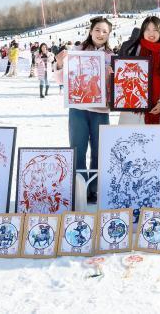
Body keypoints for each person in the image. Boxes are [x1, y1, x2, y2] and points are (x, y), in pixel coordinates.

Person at [59, 17, 114, 203]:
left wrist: (111, 78)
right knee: (78, 149)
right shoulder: (77, 52)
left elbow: (116, 89)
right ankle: (79, 189)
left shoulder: (112, 57)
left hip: (101, 110)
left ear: (109, 34)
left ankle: (94, 189)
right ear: (91, 31)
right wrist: (60, 64)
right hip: (78, 108)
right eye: (97, 30)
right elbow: (62, 80)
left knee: (100, 150)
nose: (101, 34)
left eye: (105, 31)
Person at [118, 16, 160, 125]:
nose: (151, 33)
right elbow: (123, 80)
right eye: (147, 29)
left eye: (155, 30)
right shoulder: (132, 51)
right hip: (133, 112)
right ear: (142, 31)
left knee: (158, 140)